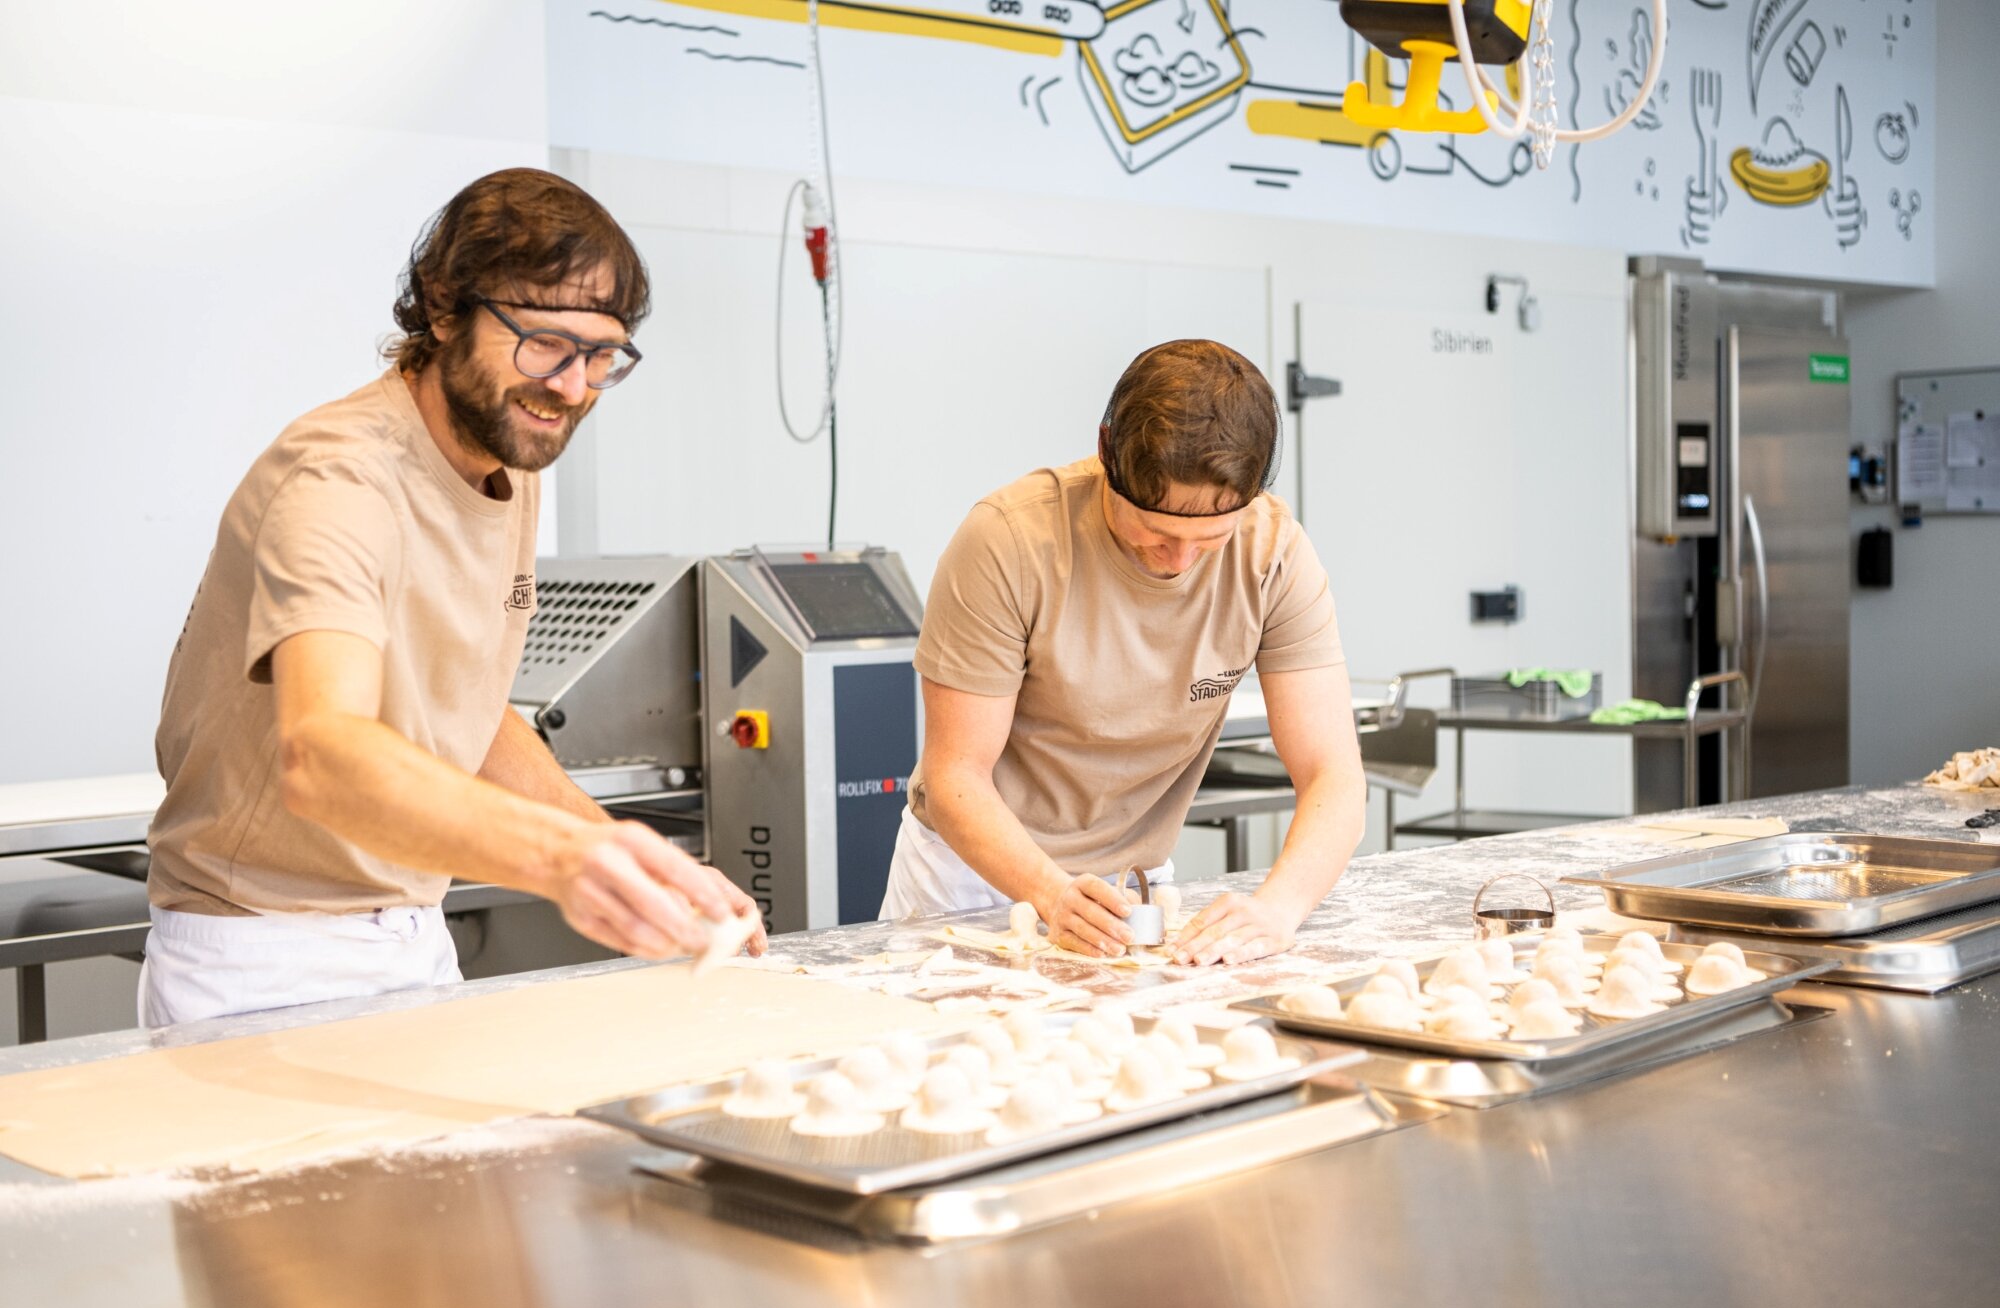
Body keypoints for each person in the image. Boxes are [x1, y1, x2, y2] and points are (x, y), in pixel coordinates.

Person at [142, 168, 763, 1027]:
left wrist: (637, 859)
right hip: (266, 952)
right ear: (443, 310)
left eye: (600, 355)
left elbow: (466, 712)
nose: (572, 387)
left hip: (411, 934)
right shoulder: (341, 477)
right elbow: (323, 754)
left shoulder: (506, 454)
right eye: (545, 341)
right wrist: (565, 860)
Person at [882, 339, 1365, 966]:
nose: (1181, 560)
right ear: (1108, 453)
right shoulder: (1009, 541)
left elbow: (1333, 772)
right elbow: (955, 777)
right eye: (1157, 533)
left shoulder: (1272, 553)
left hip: (1131, 889)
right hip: (972, 882)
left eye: (1209, 539)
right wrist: (1050, 896)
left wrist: (1278, 907)